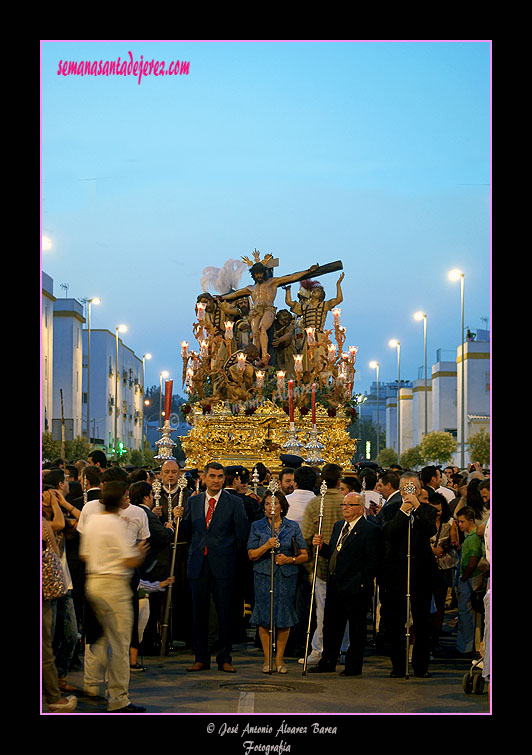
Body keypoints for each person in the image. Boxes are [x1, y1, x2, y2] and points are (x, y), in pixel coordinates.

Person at [79, 480, 148, 712]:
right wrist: (139, 553)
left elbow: (85, 554)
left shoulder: (94, 520)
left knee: (96, 636)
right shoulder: (115, 524)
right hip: (115, 584)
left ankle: (91, 685)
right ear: (120, 499)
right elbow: (128, 560)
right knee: (119, 643)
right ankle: (119, 698)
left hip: (94, 581)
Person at [173, 461, 249, 672]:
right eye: (212, 476)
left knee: (225, 612)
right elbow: (187, 533)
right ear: (204, 478)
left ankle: (224, 657)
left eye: (220, 477)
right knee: (199, 612)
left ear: (224, 479)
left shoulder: (234, 502)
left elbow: (242, 534)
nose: (216, 480)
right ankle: (201, 657)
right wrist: (179, 519)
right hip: (198, 563)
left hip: (224, 565)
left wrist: (231, 557)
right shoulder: (194, 501)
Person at [309, 492, 382, 676]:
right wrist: (322, 547)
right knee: (331, 625)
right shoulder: (339, 526)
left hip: (355, 587)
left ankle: (353, 665)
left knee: (356, 629)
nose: (346, 508)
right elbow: (335, 553)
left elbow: (373, 561)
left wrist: (361, 583)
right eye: (344, 504)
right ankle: (328, 661)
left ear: (359, 508)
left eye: (350, 505)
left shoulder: (369, 529)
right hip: (335, 585)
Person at [381, 472, 438, 678]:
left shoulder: (428, 511)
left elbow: (430, 530)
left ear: (420, 488)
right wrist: (403, 512)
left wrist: (417, 507)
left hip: (421, 572)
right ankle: (398, 665)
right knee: (396, 621)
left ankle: (421, 666)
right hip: (396, 573)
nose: (409, 491)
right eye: (406, 488)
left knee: (422, 621)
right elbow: (388, 533)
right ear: (401, 489)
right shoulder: (390, 511)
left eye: (413, 487)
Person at [247, 490, 308, 673]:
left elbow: (303, 554)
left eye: (274, 504)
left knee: (283, 617)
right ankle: (267, 660)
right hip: (264, 576)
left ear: (282, 506)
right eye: (266, 504)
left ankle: (280, 660)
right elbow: (251, 554)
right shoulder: (257, 526)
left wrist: (289, 560)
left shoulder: (292, 527)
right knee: (264, 617)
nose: (270, 508)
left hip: (286, 577)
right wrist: (266, 545)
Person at [299, 462, 346, 666]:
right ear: (338, 480)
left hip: (321, 565)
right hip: (345, 566)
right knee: (345, 611)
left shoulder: (315, 504)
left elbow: (306, 536)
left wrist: (309, 565)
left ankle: (319, 650)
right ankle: (344, 649)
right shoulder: (347, 502)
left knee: (322, 612)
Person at [42, 517, 77, 713]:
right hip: (45, 592)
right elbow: (55, 552)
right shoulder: (44, 523)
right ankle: (54, 698)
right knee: (45, 647)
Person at [426, 491, 460, 653]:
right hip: (427, 566)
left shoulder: (449, 523)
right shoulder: (423, 522)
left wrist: (447, 545)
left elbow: (455, 541)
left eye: (439, 510)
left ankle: (435, 636)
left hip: (443, 568)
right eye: (433, 510)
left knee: (439, 604)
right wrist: (431, 550)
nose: (436, 513)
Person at [455, 506, 485, 657]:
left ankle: (466, 646)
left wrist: (464, 577)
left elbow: (473, 561)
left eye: (462, 522)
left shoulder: (473, 538)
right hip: (467, 577)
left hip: (470, 579)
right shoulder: (469, 537)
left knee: (466, 614)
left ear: (471, 521)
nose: (460, 525)